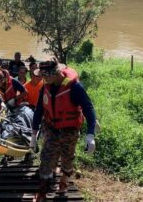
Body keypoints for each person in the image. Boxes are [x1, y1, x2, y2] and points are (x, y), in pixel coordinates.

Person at [30, 59, 96, 202]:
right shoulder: (45, 87)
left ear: (55, 73)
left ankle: (65, 177)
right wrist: (34, 134)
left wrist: (90, 135)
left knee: (67, 157)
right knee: (46, 158)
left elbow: (89, 109)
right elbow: (39, 110)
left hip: (69, 130)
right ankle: (42, 191)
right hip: (51, 128)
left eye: (45, 76)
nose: (43, 79)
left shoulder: (75, 88)